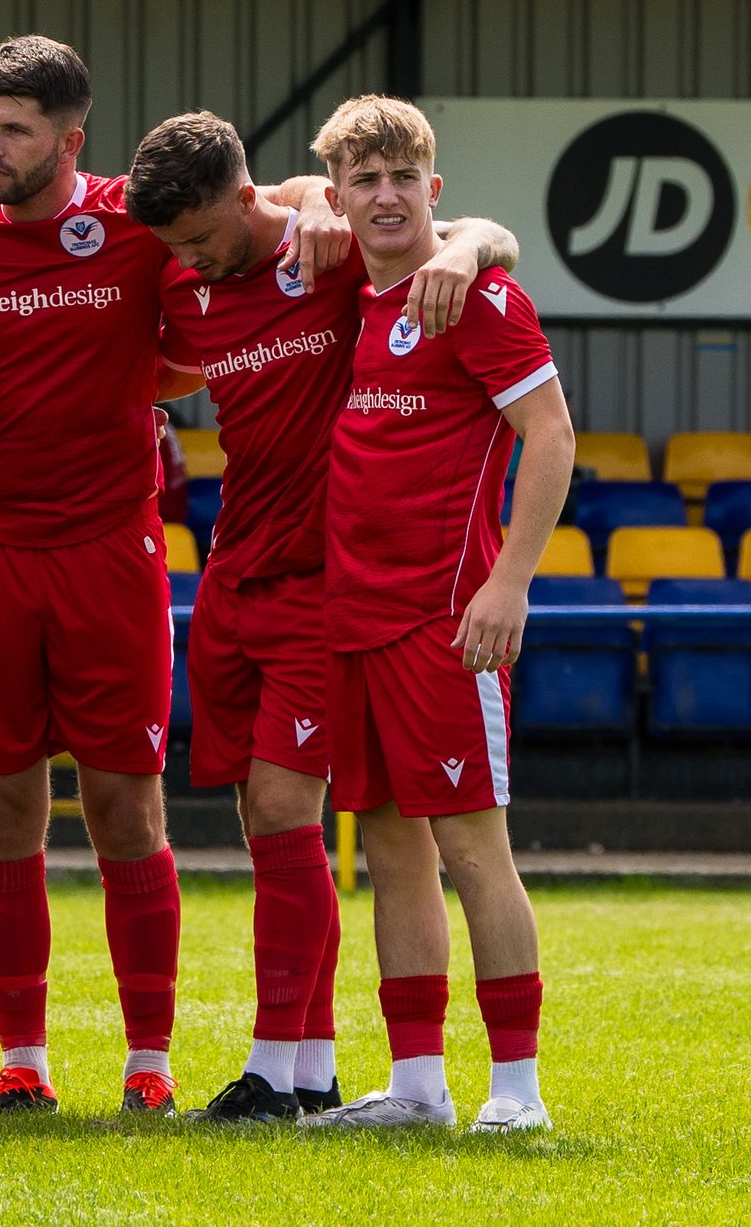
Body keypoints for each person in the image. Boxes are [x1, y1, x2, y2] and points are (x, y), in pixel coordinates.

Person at [0, 35, 357, 1118]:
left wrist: (314, 201)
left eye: (13, 129)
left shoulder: (138, 230)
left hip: (111, 543)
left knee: (122, 804)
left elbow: (253, 211)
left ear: (69, 139)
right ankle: (22, 1059)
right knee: (0, 807)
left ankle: (148, 1061)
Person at [124, 109, 518, 1122]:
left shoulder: (333, 252)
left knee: (292, 806)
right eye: (176, 248)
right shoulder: (180, 281)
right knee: (267, 816)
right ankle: (310, 1069)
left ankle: (277, 1066)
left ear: (249, 197)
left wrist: (472, 242)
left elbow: (460, 232)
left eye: (204, 239)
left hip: (330, 581)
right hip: (235, 570)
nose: (193, 263)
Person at [297, 96, 571, 1134]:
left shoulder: (478, 297)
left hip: (444, 624)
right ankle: (414, 1085)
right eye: (362, 179)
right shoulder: (353, 301)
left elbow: (548, 435)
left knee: (471, 850)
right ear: (338, 196)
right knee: (390, 848)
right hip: (353, 621)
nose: (382, 195)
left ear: (432, 189)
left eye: (400, 177)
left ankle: (516, 1090)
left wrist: (509, 581)